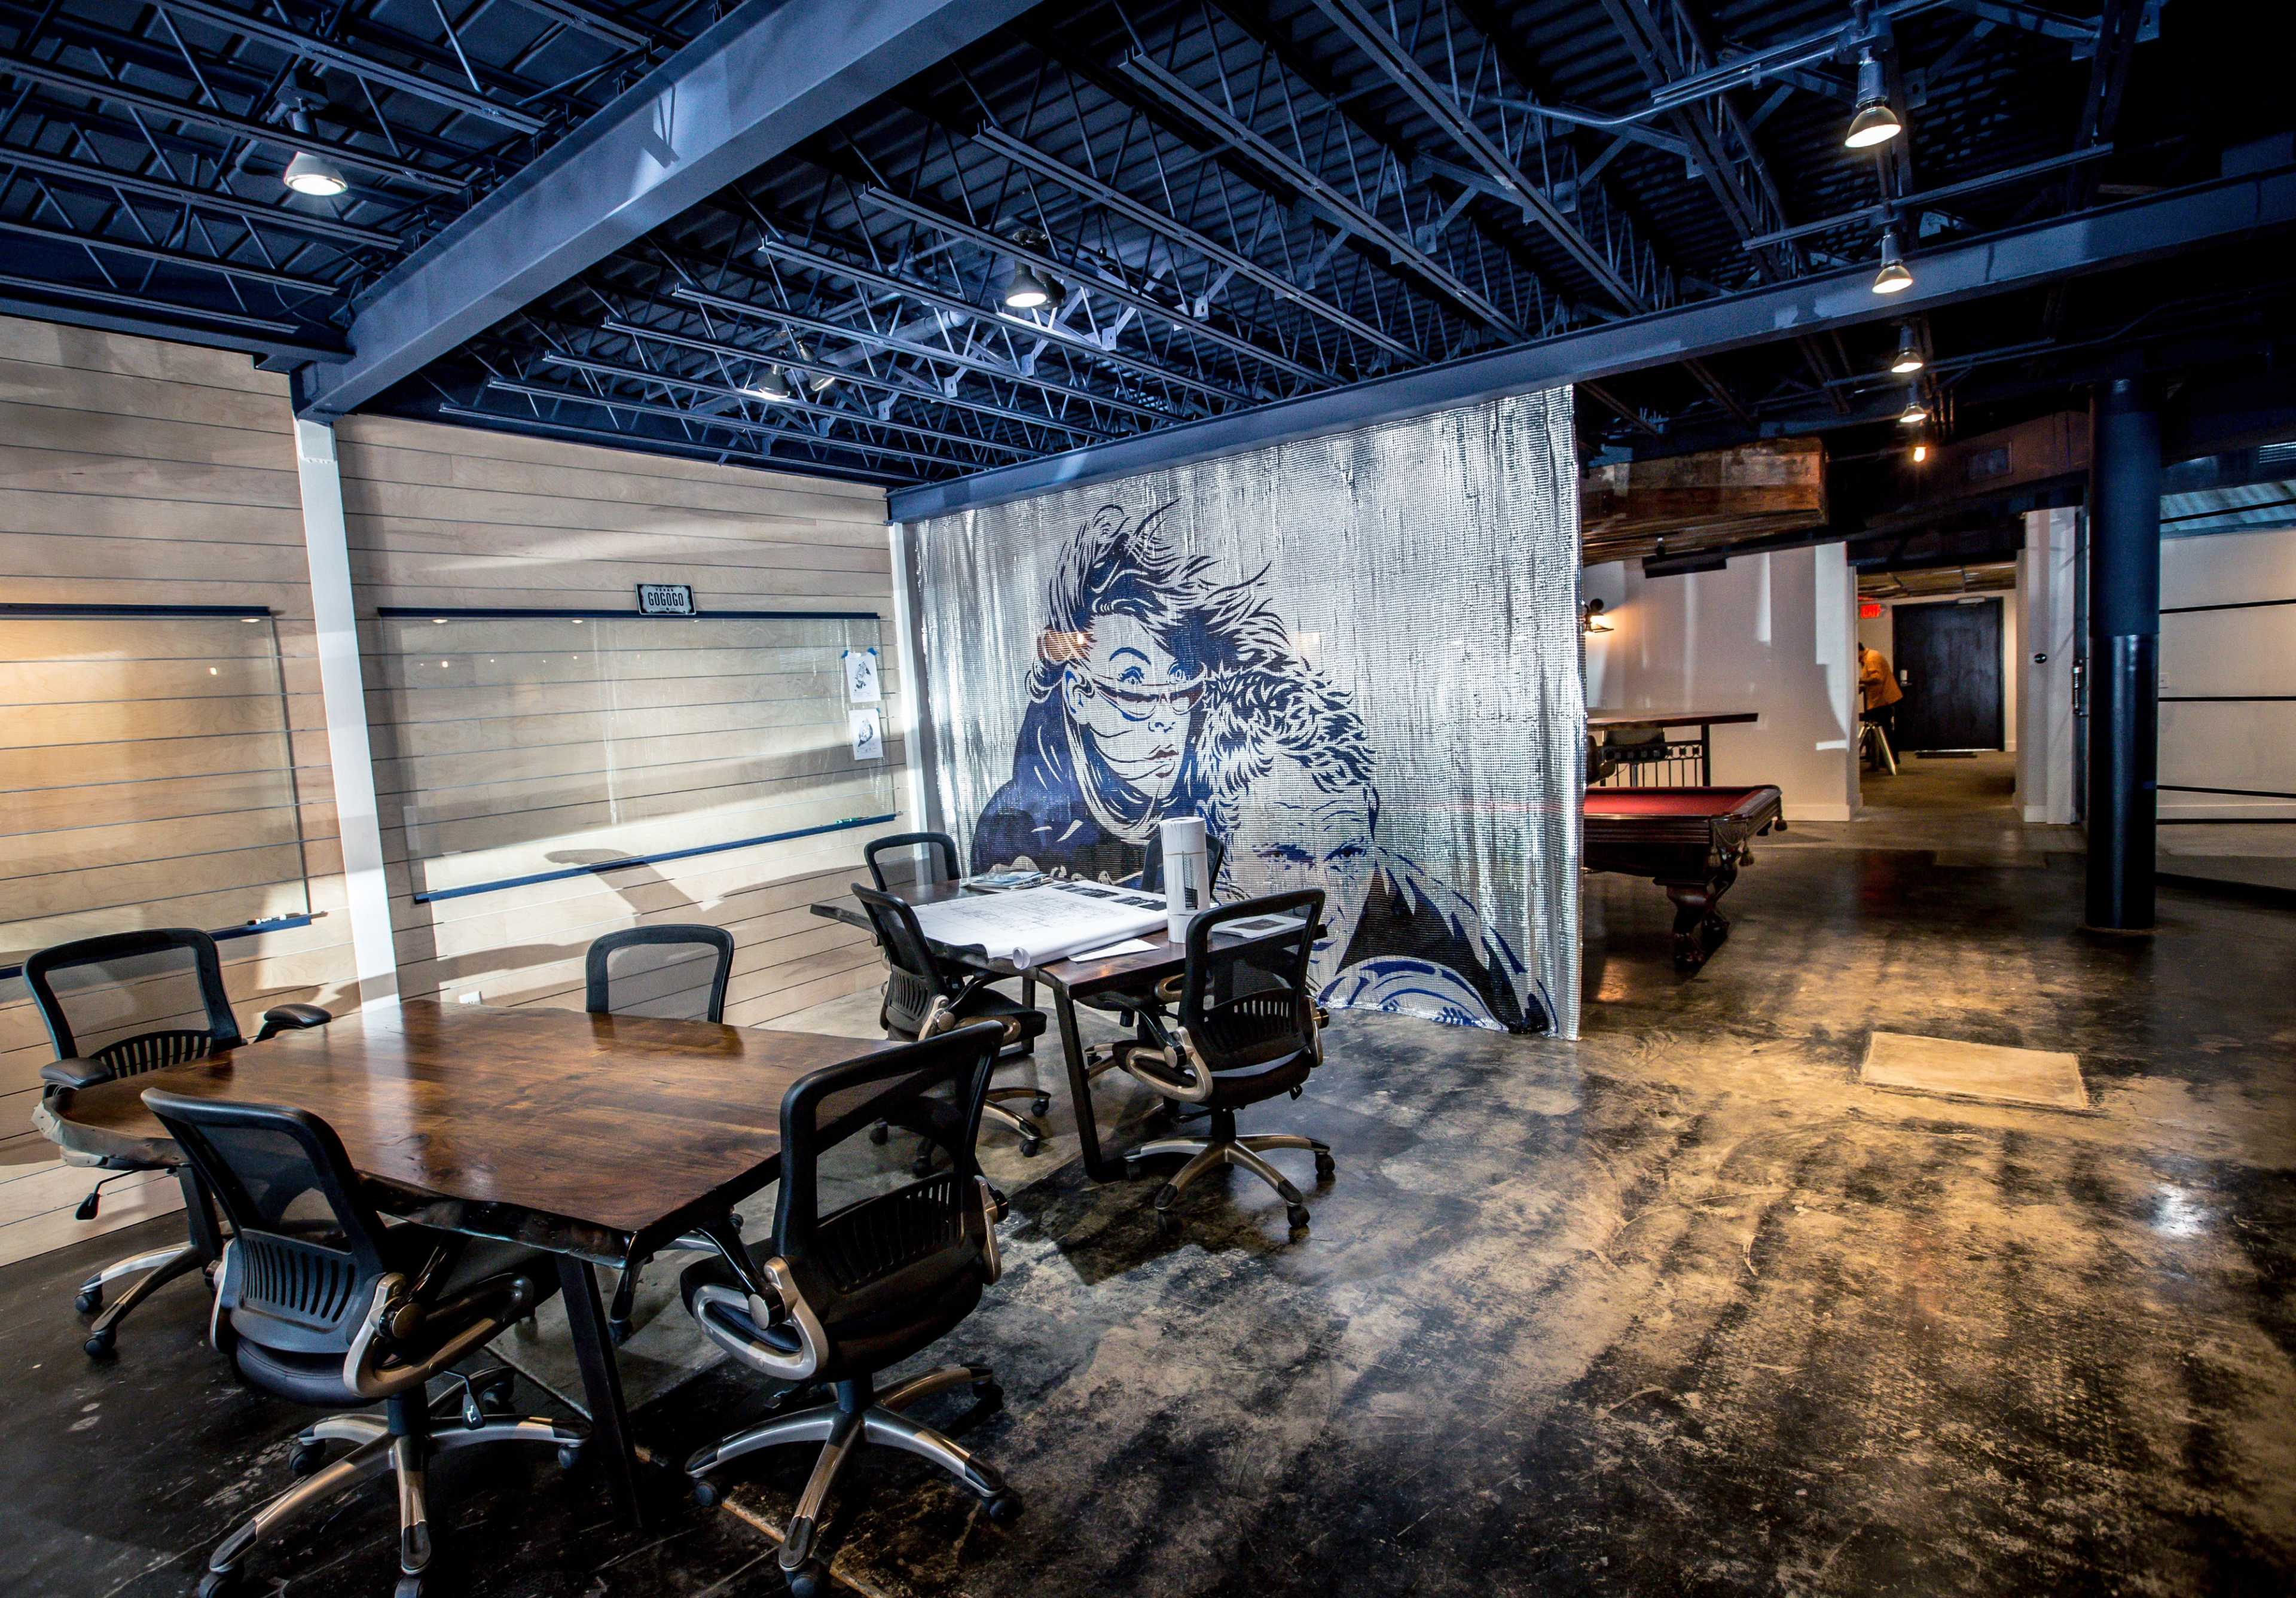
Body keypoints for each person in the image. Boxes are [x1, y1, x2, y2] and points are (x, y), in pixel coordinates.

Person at [970, 502, 1288, 882]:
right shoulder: (1015, 828)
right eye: (1133, 681)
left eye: (1179, 678)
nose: (1165, 718)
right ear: (1079, 695)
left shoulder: (1210, 808)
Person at [1860, 641, 1903, 743]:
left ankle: (1888, 752)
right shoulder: (1869, 657)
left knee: (1885, 732)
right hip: (1881, 700)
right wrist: (1864, 686)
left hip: (1883, 700)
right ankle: (1886, 752)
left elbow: (1877, 678)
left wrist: (1860, 681)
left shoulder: (1871, 658)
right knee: (1885, 730)